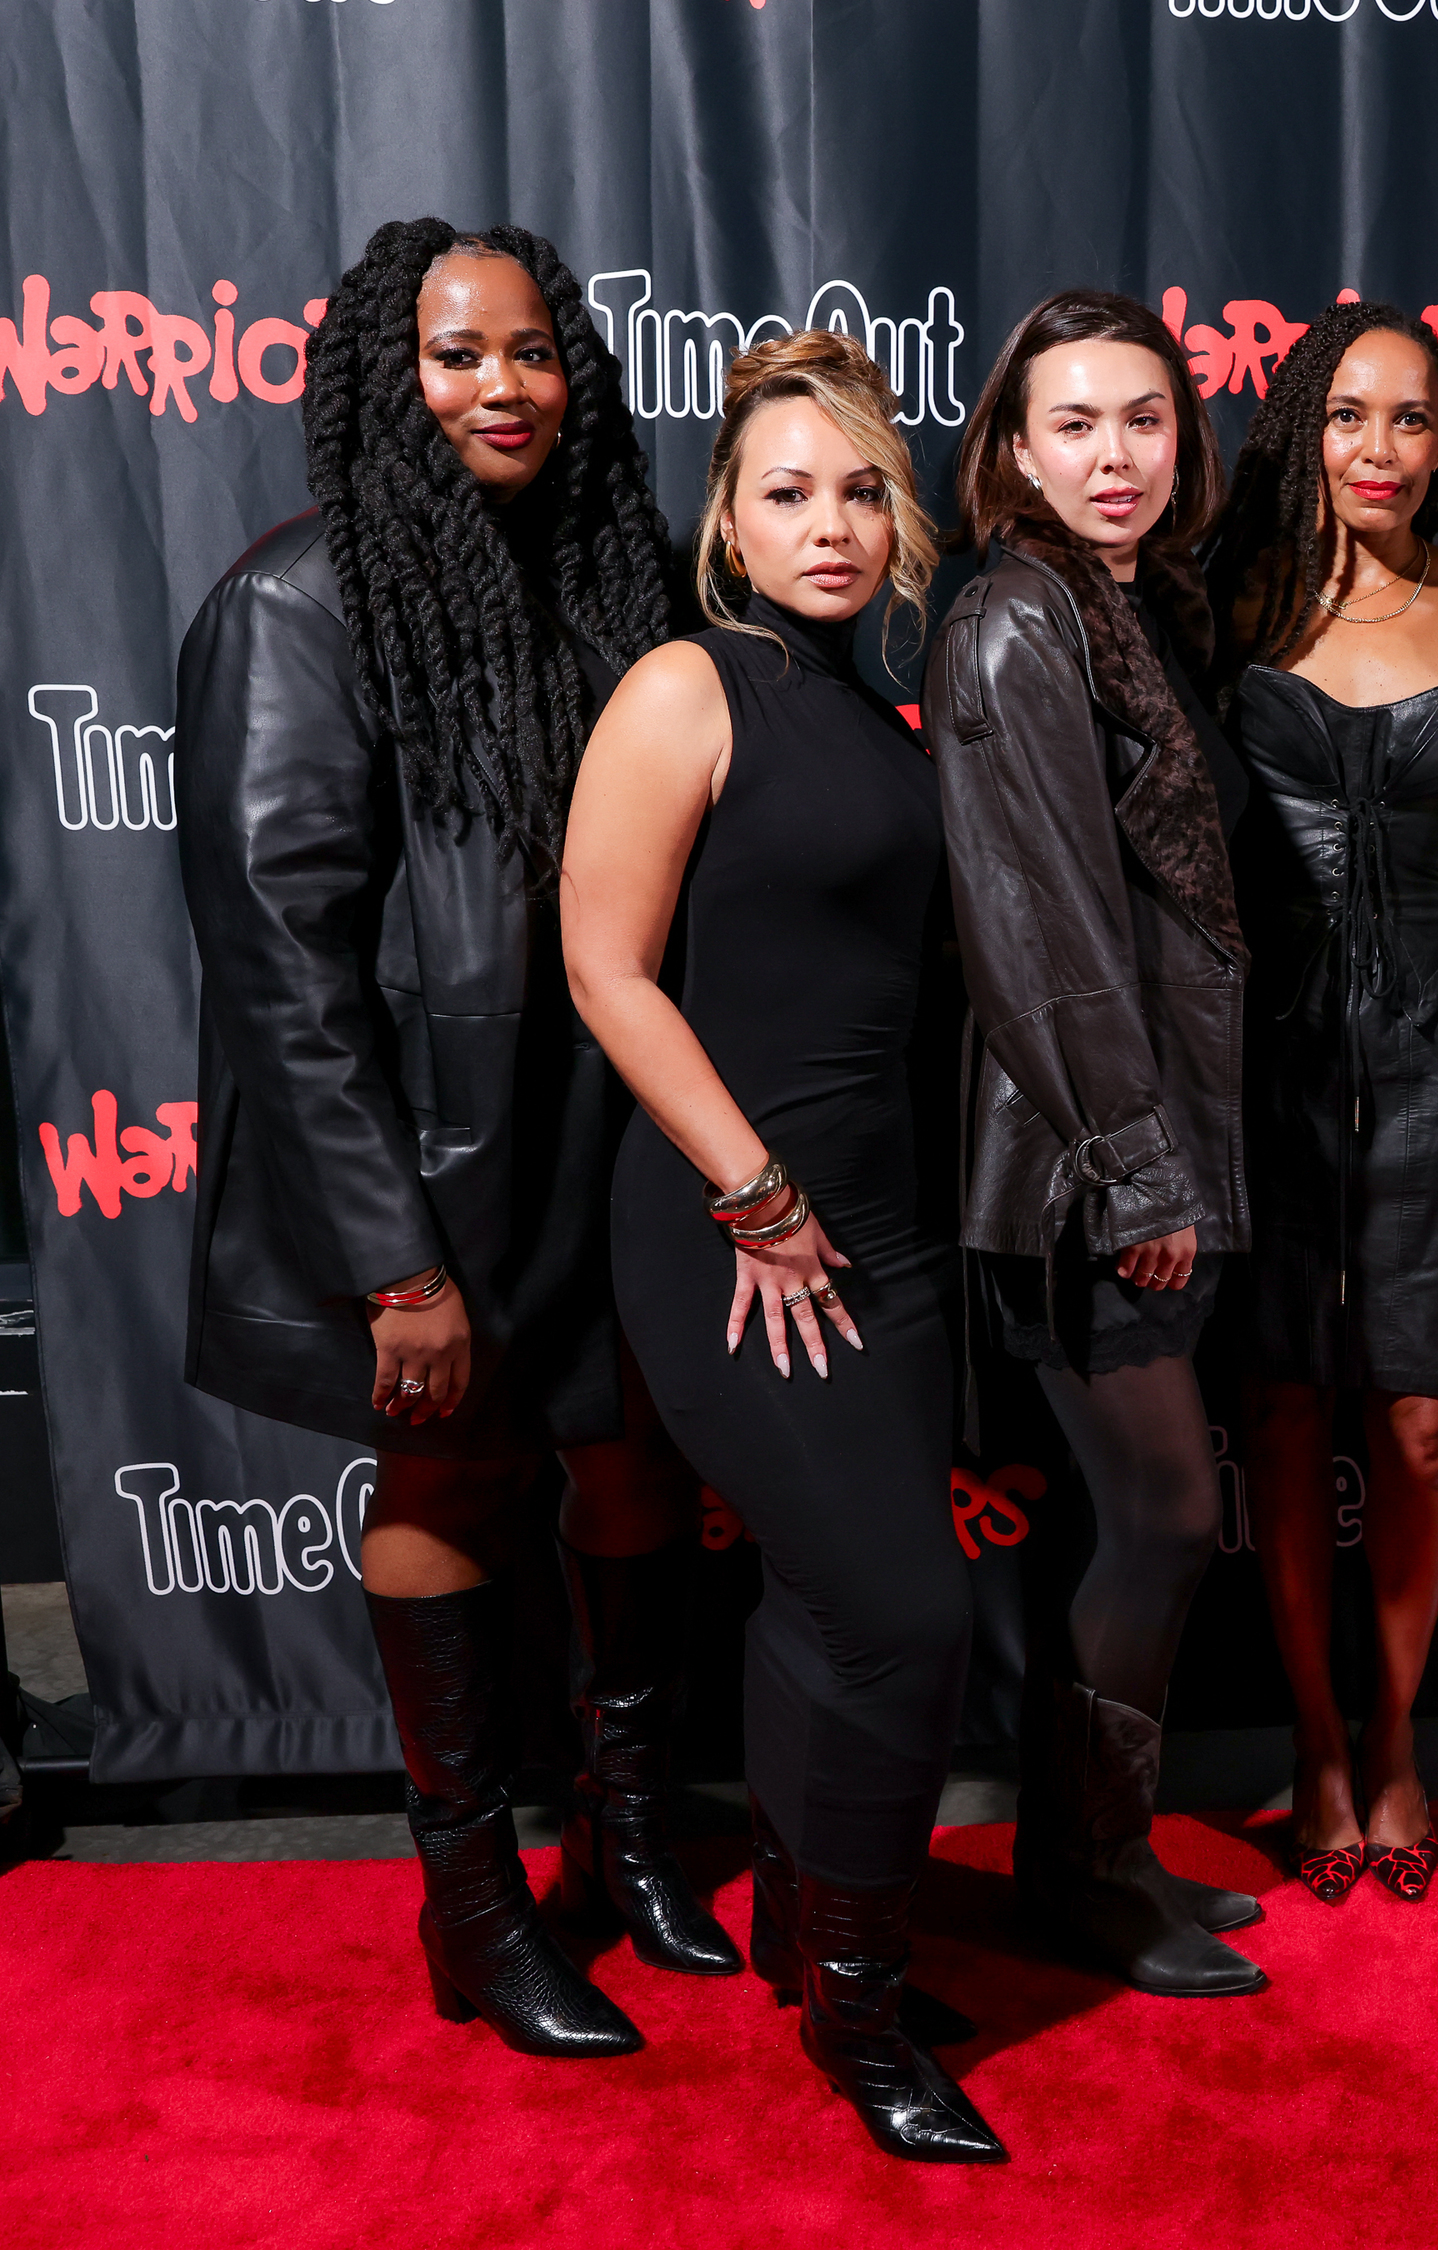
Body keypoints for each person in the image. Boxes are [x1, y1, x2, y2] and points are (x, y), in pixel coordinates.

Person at [176, 218, 719, 2061]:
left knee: (636, 1474)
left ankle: (638, 1840)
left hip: (601, 1141)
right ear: (377, 382)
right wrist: (392, 1255)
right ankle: (477, 1906)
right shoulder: (298, 604)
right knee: (455, 1488)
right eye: (456, 354)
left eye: (533, 352)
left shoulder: (601, 579)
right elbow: (281, 964)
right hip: (438, 1169)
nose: (503, 386)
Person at [562, 330, 1002, 2162]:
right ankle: (865, 2005)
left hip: (880, 1224)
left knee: (831, 1601)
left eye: (857, 492)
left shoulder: (881, 704)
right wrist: (757, 1191)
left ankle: (810, 1934)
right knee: (907, 1610)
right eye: (787, 494)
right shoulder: (687, 684)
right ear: (730, 527)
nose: (829, 524)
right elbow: (602, 964)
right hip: (737, 1220)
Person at [928, 290, 1268, 1998]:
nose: (1115, 455)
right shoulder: (1012, 620)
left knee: (1146, 1518)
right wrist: (1140, 1170)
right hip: (1081, 1171)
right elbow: (1043, 929)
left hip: (1145, 1150)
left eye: (1145, 419)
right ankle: (1080, 1871)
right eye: (1076, 424)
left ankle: (1105, 1851)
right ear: (1012, 446)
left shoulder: (1134, 606)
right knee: (1165, 1509)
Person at [1203, 301, 1438, 1907]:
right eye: (1348, 415)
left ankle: (1399, 1736)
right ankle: (1314, 1741)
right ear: (1298, 430)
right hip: (1264, 1069)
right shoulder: (1221, 606)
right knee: (1276, 1417)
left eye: (1411, 419)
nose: (1380, 449)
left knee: (1415, 1419)